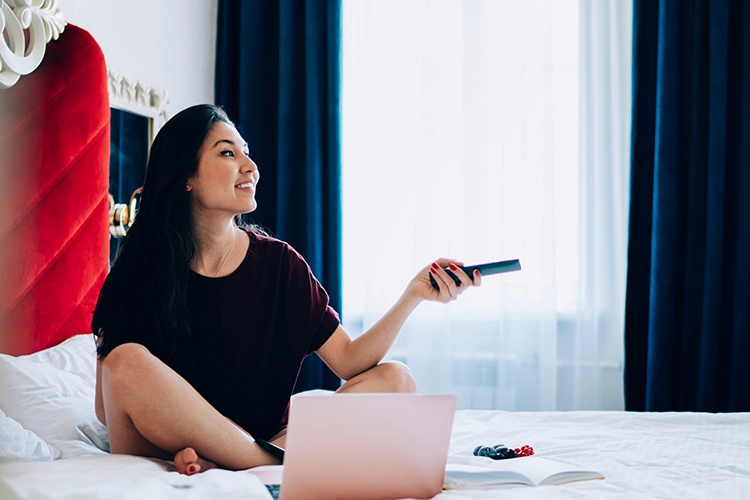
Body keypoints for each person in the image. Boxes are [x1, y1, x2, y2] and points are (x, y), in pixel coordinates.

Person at [91, 104, 481, 475]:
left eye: (246, 152)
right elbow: (107, 410)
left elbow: (348, 360)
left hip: (266, 441)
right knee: (125, 363)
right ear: (186, 177)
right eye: (228, 153)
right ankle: (262, 461)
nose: (251, 166)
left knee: (397, 380)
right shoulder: (140, 267)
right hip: (168, 447)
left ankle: (245, 459)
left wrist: (413, 294)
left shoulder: (279, 265)